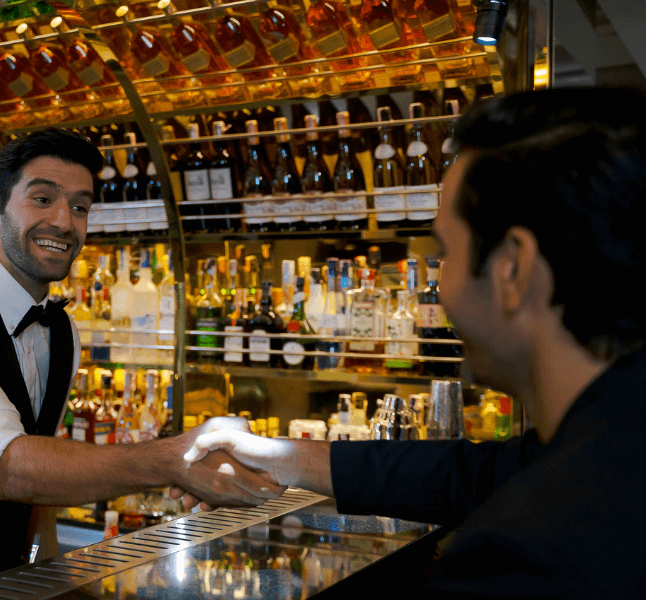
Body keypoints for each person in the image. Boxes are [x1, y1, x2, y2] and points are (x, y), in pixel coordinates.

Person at [182, 87, 646, 597]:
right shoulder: (615, 428)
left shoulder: (526, 556)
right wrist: (281, 457)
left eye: (445, 251)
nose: (440, 285)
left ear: (513, 268)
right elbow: (474, 473)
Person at [0, 129, 284, 600]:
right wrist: (172, 460)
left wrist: (53, 580)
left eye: (80, 207)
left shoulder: (63, 333)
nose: (64, 222)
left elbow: (36, 486)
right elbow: (8, 465)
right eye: (42, 198)